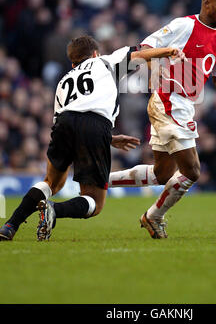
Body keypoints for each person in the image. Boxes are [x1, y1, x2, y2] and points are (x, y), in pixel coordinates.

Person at [109, 0, 216, 239]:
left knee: (163, 174)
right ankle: (153, 216)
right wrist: (155, 65)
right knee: (192, 171)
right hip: (168, 99)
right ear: (206, 3)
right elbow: (145, 45)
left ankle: (100, 180)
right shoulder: (184, 26)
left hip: (183, 105)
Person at [0, 35, 185, 241]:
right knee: (94, 201)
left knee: (51, 182)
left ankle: (10, 225)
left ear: (72, 62)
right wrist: (168, 51)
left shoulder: (63, 82)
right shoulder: (105, 62)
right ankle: (53, 210)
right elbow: (139, 55)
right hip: (95, 126)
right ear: (95, 53)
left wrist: (109, 138)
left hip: (64, 123)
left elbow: (69, 119)